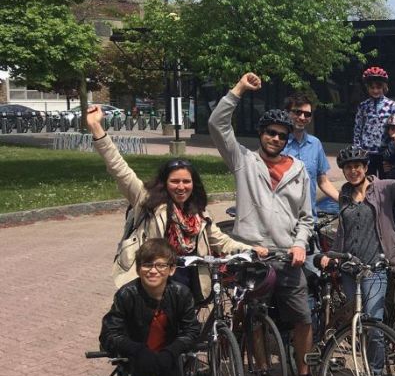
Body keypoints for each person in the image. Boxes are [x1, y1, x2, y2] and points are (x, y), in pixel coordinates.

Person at [208, 72, 320, 376]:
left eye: (282, 135)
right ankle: (264, 375)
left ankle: (303, 375)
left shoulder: (298, 169)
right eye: (270, 133)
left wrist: (300, 243)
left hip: (288, 256)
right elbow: (217, 124)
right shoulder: (243, 161)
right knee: (255, 318)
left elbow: (306, 217)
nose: (276, 138)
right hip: (252, 256)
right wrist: (239, 89)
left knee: (303, 318)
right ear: (261, 134)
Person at [86, 105, 264, 299]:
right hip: (154, 282)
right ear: (165, 183)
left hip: (188, 283)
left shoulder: (199, 214)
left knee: (189, 328)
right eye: (175, 181)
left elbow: (220, 241)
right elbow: (118, 167)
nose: (181, 187)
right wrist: (96, 127)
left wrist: (250, 249)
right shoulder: (147, 200)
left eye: (186, 181)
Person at [319, 127, 395, 376]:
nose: (353, 171)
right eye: (349, 167)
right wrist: (334, 254)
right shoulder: (343, 195)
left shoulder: (383, 188)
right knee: (358, 325)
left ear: (366, 167)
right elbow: (344, 230)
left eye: (358, 166)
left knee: (374, 325)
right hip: (350, 270)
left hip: (375, 268)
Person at [99, 239, 201, 376]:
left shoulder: (181, 294)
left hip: (167, 360)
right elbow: (109, 333)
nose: (153, 271)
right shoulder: (127, 295)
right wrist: (136, 350)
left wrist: (172, 351)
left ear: (171, 270)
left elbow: (192, 331)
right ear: (138, 268)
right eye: (147, 265)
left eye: (160, 265)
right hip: (136, 361)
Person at [283, 93, 340, 215]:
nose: (302, 117)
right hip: (282, 218)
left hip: (308, 218)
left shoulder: (315, 144)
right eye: (297, 112)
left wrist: (346, 202)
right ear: (287, 113)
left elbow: (323, 182)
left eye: (307, 114)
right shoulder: (278, 143)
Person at [353, 66, 395, 176]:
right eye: (372, 87)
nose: (375, 90)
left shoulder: (392, 105)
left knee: (385, 184)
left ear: (384, 87)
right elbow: (358, 128)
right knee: (367, 183)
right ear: (367, 88)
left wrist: (394, 149)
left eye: (378, 87)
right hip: (367, 152)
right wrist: (357, 149)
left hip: (385, 152)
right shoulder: (363, 106)